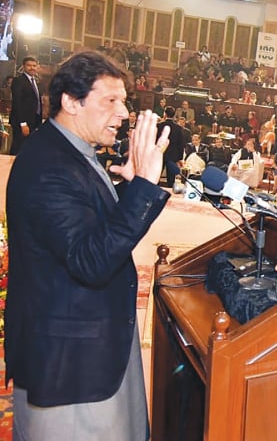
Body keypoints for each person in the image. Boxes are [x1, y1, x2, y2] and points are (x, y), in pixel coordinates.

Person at [5, 51, 171, 440]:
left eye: (125, 101)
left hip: (88, 344)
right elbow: (91, 260)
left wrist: (131, 188)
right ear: (71, 101)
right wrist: (143, 187)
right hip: (69, 366)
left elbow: (86, 228)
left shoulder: (72, 153)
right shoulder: (48, 165)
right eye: (110, 101)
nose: (123, 112)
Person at [10, 56, 43, 155]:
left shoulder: (36, 82)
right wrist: (23, 123)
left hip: (34, 121)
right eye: (29, 65)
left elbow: (37, 102)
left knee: (29, 150)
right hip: (22, 122)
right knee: (18, 148)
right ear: (23, 67)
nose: (32, 68)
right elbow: (17, 103)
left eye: (34, 65)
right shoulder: (18, 81)